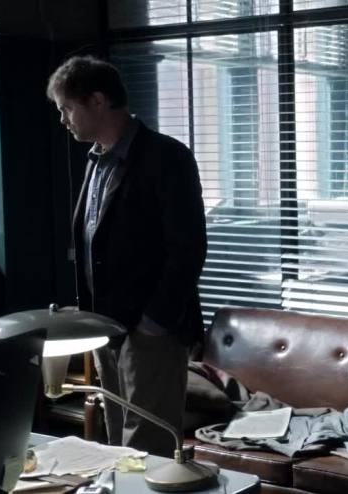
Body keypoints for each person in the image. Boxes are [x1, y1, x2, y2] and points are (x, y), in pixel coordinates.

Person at [46, 56, 206, 457]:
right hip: (106, 327)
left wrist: (153, 323)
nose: (63, 120)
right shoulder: (95, 160)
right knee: (118, 444)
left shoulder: (167, 156)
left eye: (67, 108)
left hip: (150, 332)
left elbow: (188, 249)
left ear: (98, 101)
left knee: (148, 446)